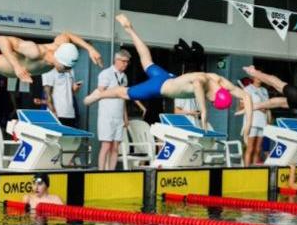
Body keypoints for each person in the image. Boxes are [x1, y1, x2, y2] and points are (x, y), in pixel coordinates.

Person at [85, 14, 253, 142]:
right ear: (214, 97)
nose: (209, 101)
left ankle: (129, 29)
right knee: (124, 93)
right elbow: (197, 86)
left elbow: (246, 96)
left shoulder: (220, 81)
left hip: (168, 77)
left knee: (146, 60)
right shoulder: (202, 81)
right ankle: (99, 94)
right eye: (211, 101)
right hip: (159, 87)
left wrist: (247, 127)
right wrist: (204, 112)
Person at [238, 76, 271, 165]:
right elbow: (241, 107)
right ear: (253, 78)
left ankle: (254, 170)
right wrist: (258, 107)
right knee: (250, 148)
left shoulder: (264, 90)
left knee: (258, 149)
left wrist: (268, 121)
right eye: (257, 76)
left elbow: (268, 107)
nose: (259, 78)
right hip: (252, 122)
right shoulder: (247, 89)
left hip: (262, 122)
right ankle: (246, 171)